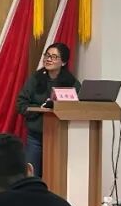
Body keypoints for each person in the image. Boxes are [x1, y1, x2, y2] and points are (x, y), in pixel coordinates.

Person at [15, 42, 80, 177]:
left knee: (56, 176)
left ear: (63, 62)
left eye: (54, 57)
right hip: (36, 137)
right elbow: (21, 104)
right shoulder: (35, 79)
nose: (49, 59)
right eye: (47, 55)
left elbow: (79, 106)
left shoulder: (71, 82)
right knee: (31, 175)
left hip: (60, 136)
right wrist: (39, 110)